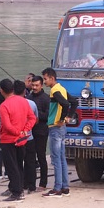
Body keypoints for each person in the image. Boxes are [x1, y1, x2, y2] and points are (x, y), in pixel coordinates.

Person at [0, 78, 36, 202]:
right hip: (22, 139)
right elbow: (32, 118)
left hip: (8, 140)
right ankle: (20, 190)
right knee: (19, 165)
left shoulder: (4, 106)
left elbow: (7, 126)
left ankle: (16, 193)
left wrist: (18, 132)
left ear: (1, 90)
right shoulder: (24, 101)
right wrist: (25, 130)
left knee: (11, 167)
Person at [41, 67, 74, 197]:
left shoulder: (54, 90)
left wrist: (61, 119)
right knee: (61, 157)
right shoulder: (61, 88)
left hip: (55, 127)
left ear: (52, 78)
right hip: (62, 128)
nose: (44, 81)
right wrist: (68, 117)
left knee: (55, 158)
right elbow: (74, 102)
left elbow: (65, 104)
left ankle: (57, 188)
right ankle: (65, 187)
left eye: (45, 79)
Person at [25, 74, 50, 191]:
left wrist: (36, 115)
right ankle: (29, 182)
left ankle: (43, 183)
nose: (34, 87)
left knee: (41, 156)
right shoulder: (29, 97)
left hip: (41, 131)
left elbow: (48, 115)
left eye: (37, 85)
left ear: (41, 85)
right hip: (29, 131)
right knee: (29, 158)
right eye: (33, 85)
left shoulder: (46, 98)